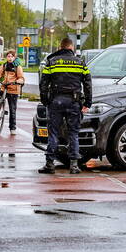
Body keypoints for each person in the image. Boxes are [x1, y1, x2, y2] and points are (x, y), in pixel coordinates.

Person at [38, 37, 91, 175]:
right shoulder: (80, 63)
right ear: (71, 48)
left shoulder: (52, 62)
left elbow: (43, 84)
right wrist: (87, 103)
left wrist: (45, 101)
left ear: (60, 47)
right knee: (73, 133)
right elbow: (87, 83)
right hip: (74, 102)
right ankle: (74, 165)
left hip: (56, 101)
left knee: (54, 133)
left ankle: (50, 164)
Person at [0, 50, 24, 135]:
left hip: (13, 89)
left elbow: (21, 77)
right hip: (4, 87)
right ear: (6, 57)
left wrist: (19, 81)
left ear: (14, 57)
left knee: (12, 109)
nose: (10, 58)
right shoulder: (5, 65)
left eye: (11, 56)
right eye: (8, 56)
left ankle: (12, 128)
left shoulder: (18, 67)